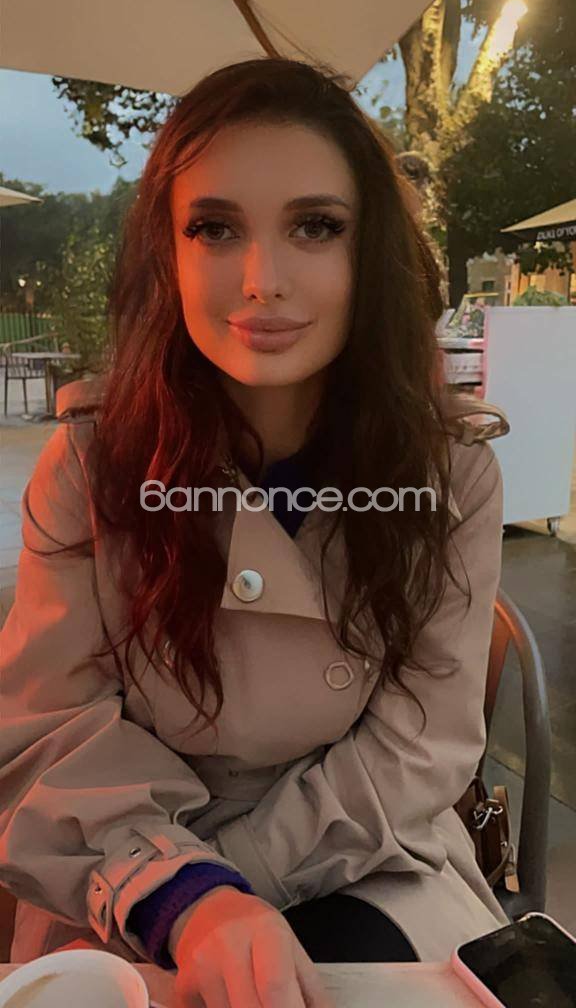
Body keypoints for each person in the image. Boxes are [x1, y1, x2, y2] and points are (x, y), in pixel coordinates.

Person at [0, 57, 510, 1007]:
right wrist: (183, 897)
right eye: (215, 228)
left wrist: (229, 885)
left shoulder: (450, 474)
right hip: (123, 868)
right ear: (168, 253)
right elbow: (49, 736)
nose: (263, 281)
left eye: (316, 226)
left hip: (373, 856)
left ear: (370, 252)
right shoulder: (91, 466)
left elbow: (419, 749)